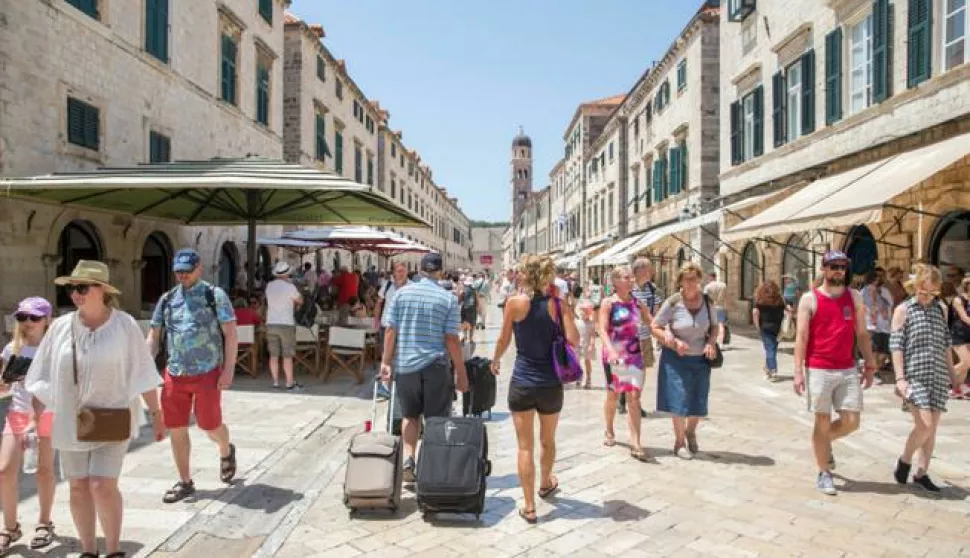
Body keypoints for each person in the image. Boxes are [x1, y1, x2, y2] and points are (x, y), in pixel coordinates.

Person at [26, 261, 164, 558]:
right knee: (77, 486)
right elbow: (42, 375)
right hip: (69, 420)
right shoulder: (61, 327)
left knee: (102, 484)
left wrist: (156, 413)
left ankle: (113, 550)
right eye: (72, 288)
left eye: (82, 288)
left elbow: (143, 370)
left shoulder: (124, 325)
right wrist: (36, 419)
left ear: (102, 290)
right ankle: (89, 551)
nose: (75, 294)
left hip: (112, 416)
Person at [146, 249, 239, 504]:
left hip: (208, 371)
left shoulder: (214, 295)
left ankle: (225, 448)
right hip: (175, 373)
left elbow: (230, 334)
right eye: (178, 271)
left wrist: (229, 369)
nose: (182, 275)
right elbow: (154, 336)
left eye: (187, 270)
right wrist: (144, 365)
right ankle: (185, 481)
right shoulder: (167, 299)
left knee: (209, 424)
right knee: (176, 427)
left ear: (199, 268)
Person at [490, 255, 578, 524]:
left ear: (525, 275)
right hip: (551, 383)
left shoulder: (514, 303)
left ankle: (529, 506)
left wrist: (494, 360)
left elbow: (505, 339)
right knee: (547, 440)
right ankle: (545, 484)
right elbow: (574, 339)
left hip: (523, 381)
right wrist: (567, 314)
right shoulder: (557, 304)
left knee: (524, 447)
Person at [793, 250, 876, 496]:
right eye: (834, 266)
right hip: (818, 367)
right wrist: (798, 371)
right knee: (822, 419)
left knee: (852, 421)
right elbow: (801, 337)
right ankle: (823, 471)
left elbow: (861, 334)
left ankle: (823, 442)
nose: (839, 270)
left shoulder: (855, 297)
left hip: (847, 367)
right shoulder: (810, 299)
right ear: (824, 269)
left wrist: (870, 363)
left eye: (842, 266)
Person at [380, 253, 469, 482]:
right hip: (435, 366)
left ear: (419, 271)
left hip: (406, 365)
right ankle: (430, 463)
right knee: (436, 419)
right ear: (440, 272)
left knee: (410, 416)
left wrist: (385, 362)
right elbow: (451, 339)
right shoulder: (447, 299)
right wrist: (461, 372)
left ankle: (409, 458)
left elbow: (390, 331)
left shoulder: (400, 295)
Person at [890, 264, 955, 493]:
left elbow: (946, 343)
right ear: (914, 286)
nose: (926, 297)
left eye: (931, 293)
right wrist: (900, 379)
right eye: (922, 291)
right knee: (924, 425)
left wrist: (953, 375)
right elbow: (896, 346)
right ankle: (905, 460)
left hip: (937, 375)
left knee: (932, 428)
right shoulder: (904, 310)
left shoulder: (941, 310)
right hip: (914, 377)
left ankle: (922, 473)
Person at [0, 297, 57, 553]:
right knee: (4, 470)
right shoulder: (12, 348)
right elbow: (4, 387)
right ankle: (9, 528)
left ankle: (45, 523)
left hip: (46, 414)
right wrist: (5, 382)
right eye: (22, 317)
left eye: (34, 317)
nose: (27, 322)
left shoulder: (54, 349)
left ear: (47, 320)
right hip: (18, 413)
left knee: (44, 470)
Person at [652, 262, 719, 460]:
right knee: (679, 400)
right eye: (687, 279)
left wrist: (712, 342)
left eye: (694, 278)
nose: (690, 283)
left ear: (700, 280)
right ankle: (679, 443)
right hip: (675, 359)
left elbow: (715, 326)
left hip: (700, 358)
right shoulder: (673, 302)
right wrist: (671, 341)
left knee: (698, 399)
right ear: (680, 280)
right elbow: (655, 326)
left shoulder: (707, 302)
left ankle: (690, 431)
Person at [599, 266, 653, 461]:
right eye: (625, 277)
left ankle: (636, 442)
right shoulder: (609, 303)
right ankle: (609, 429)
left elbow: (652, 324)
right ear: (615, 282)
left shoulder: (638, 304)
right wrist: (611, 350)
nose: (631, 280)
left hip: (634, 355)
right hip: (613, 357)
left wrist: (669, 335)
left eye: (631, 277)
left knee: (634, 398)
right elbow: (602, 330)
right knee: (613, 396)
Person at [624, 258, 661, 416]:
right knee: (627, 370)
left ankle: (636, 401)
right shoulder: (626, 289)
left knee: (642, 369)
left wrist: (659, 333)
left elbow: (657, 313)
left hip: (644, 337)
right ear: (638, 271)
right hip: (627, 338)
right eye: (648, 269)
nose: (651, 272)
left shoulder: (652, 290)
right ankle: (625, 399)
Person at [264, 262, 304, 391]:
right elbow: (300, 300)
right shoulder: (290, 287)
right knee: (287, 355)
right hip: (286, 323)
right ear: (287, 273)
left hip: (271, 323)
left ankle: (275, 382)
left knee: (274, 355)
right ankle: (289, 383)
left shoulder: (269, 286)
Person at [374, 262, 411, 400]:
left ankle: (404, 385)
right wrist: (376, 320)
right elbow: (378, 303)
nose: (401, 273)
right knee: (386, 357)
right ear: (393, 272)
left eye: (403, 270)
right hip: (387, 326)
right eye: (398, 271)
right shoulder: (387, 285)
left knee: (405, 357)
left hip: (405, 328)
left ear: (407, 271)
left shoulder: (412, 287)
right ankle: (385, 387)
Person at [861, 269, 894, 379]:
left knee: (884, 351)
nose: (878, 280)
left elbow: (891, 303)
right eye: (875, 278)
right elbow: (860, 306)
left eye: (879, 278)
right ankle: (875, 371)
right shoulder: (863, 292)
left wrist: (885, 309)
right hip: (871, 325)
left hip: (884, 324)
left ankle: (876, 367)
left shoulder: (884, 291)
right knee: (874, 349)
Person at [753, 281, 786, 381]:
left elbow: (755, 313)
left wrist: (757, 326)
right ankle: (768, 370)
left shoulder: (760, 300)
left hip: (765, 327)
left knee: (769, 349)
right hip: (778, 327)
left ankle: (773, 370)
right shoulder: (780, 299)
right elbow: (785, 311)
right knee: (772, 348)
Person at [950, 277, 970, 399]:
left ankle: (957, 389)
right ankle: (939, 378)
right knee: (966, 362)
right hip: (959, 334)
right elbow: (964, 317)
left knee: (966, 365)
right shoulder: (958, 300)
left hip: (969, 334)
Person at [573, 286, 595, 389]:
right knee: (577, 362)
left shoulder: (590, 323)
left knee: (587, 362)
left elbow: (592, 335)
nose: (583, 312)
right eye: (581, 310)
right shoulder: (577, 321)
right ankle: (578, 378)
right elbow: (573, 333)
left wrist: (591, 344)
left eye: (585, 311)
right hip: (578, 345)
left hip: (586, 345)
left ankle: (589, 379)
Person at [703, 272, 728, 345]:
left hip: (711, 307)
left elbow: (705, 298)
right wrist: (727, 308)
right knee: (721, 325)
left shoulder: (707, 287)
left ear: (710, 277)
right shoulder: (723, 285)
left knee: (710, 325)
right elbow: (727, 297)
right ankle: (720, 343)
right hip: (721, 307)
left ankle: (711, 341)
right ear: (715, 277)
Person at [459, 277, 481, 343]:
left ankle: (464, 336)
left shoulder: (463, 290)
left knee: (464, 322)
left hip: (464, 308)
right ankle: (471, 339)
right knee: (472, 323)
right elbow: (477, 300)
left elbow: (459, 300)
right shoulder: (474, 290)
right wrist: (478, 308)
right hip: (472, 309)